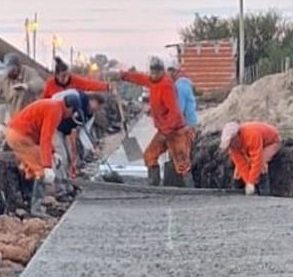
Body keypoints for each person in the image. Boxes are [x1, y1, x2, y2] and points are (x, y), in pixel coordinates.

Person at [5, 91, 102, 212]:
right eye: (73, 112)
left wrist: (53, 152)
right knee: (40, 168)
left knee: (32, 168)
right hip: (20, 136)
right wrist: (47, 167)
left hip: (19, 135)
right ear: (69, 107)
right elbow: (45, 138)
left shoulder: (53, 107)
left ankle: (28, 199)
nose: (71, 115)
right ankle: (36, 209)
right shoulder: (55, 111)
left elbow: (43, 135)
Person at [121, 57, 191, 187]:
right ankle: (154, 183)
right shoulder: (152, 81)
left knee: (181, 162)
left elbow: (174, 112)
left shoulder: (166, 85)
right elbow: (140, 78)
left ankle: (189, 188)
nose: (154, 74)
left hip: (176, 130)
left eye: (156, 72)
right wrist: (123, 76)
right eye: (152, 71)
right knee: (150, 155)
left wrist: (167, 129)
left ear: (161, 71)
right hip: (163, 129)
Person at [220, 120, 282, 196]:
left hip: (271, 142)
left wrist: (251, 182)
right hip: (253, 146)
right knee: (238, 172)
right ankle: (236, 191)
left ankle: (265, 194)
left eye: (230, 143)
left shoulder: (251, 135)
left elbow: (257, 160)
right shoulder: (233, 147)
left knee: (261, 164)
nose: (230, 147)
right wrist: (248, 183)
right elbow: (241, 165)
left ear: (237, 136)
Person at [41, 56, 110, 100]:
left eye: (67, 75)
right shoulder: (50, 84)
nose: (66, 78)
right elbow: (44, 99)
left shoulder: (74, 80)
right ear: (56, 75)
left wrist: (106, 87)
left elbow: (88, 84)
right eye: (63, 76)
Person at [173, 63, 199, 132]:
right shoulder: (182, 83)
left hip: (187, 124)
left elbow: (180, 108)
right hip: (190, 122)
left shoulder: (181, 86)